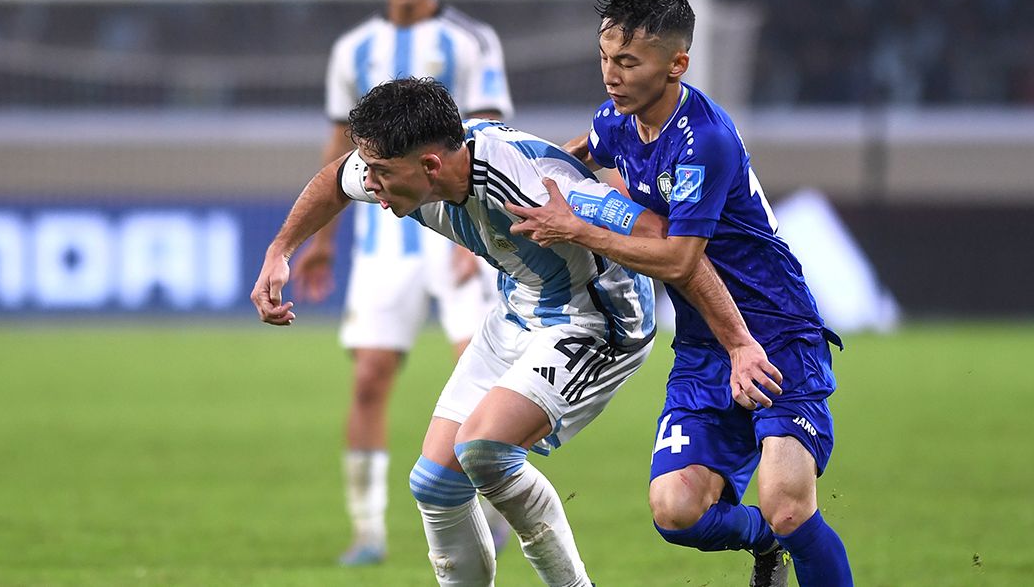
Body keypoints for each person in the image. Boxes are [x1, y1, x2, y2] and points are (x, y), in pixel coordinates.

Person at [251, 77, 770, 587]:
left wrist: (738, 344)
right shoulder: (403, 167)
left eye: (382, 173)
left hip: (599, 323)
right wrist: (280, 251)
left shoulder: (534, 186)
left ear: (430, 166)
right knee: (434, 484)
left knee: (484, 448)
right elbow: (334, 179)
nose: (371, 184)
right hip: (519, 310)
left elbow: (665, 240)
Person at [505, 0, 853, 587]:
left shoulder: (704, 141)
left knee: (789, 507)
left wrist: (577, 228)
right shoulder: (617, 120)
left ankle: (783, 533)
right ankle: (765, 544)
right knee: (676, 511)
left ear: (676, 65)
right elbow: (575, 153)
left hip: (777, 334)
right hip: (702, 345)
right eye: (605, 58)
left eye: (628, 62)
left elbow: (678, 260)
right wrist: (525, 180)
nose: (611, 75)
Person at [287, 0, 515, 566]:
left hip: (463, 232)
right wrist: (321, 241)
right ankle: (367, 532)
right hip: (384, 240)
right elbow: (339, 147)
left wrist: (477, 234)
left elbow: (489, 133)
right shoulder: (352, 49)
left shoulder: (471, 40)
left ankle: (497, 512)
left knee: (482, 376)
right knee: (369, 379)